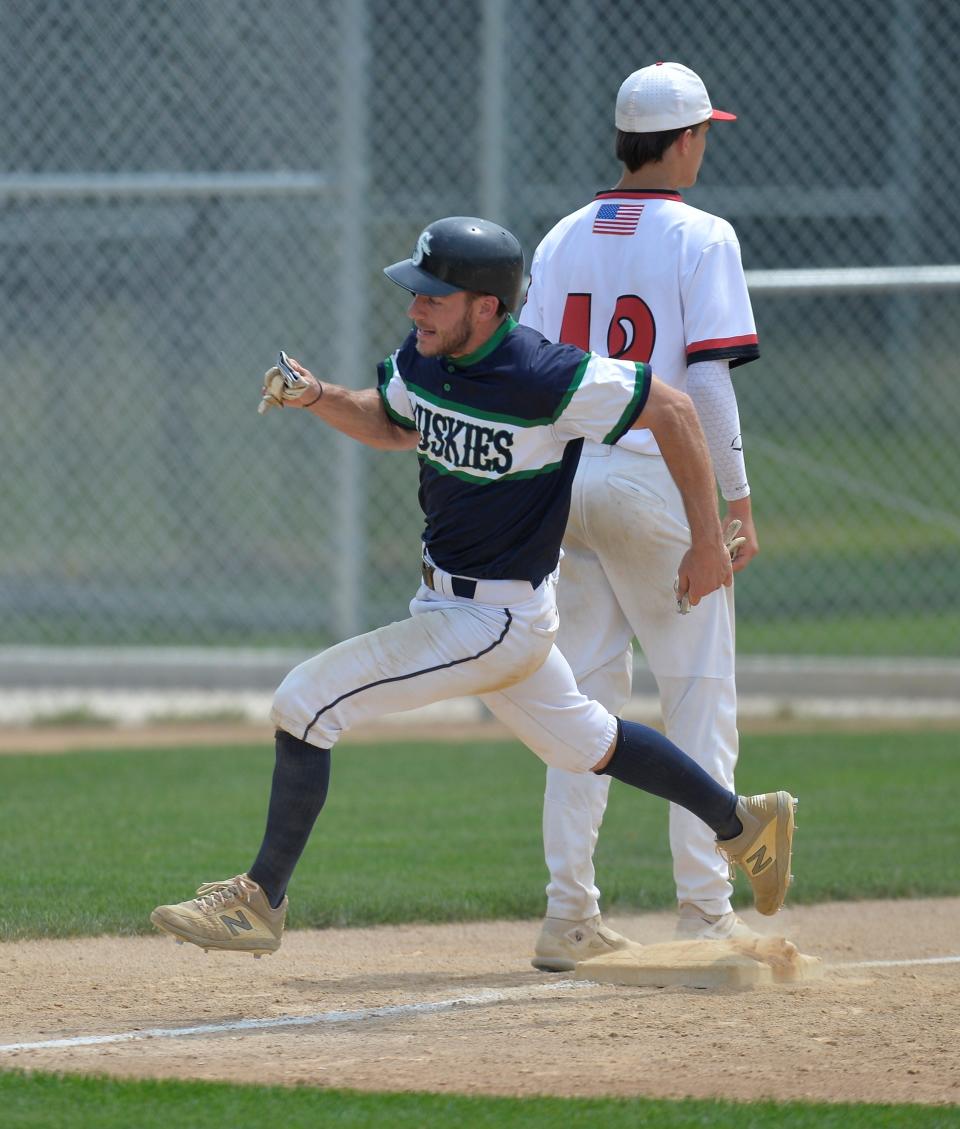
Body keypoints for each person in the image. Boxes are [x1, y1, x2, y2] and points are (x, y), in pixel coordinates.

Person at [150, 216, 795, 959]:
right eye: (416, 293)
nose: (415, 309)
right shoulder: (424, 358)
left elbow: (677, 410)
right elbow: (394, 421)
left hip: (495, 620)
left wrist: (709, 538)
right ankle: (745, 825)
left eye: (434, 296)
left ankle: (261, 901)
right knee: (590, 739)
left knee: (305, 700)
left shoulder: (546, 374)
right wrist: (319, 394)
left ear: (486, 306)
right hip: (454, 607)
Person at [518, 61, 766, 971]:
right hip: (657, 481)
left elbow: (534, 382)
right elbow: (702, 384)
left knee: (580, 706)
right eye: (706, 132)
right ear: (686, 137)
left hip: (568, 482)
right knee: (698, 696)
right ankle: (706, 913)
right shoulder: (703, 235)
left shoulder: (559, 239)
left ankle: (568, 911)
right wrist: (731, 507)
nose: (706, 146)